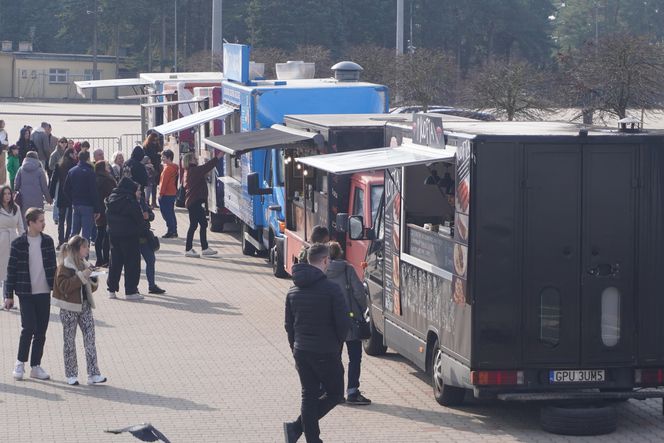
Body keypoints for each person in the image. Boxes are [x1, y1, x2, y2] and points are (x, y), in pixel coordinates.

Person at [283, 243, 350, 443]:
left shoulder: (292, 290)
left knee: (308, 395)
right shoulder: (332, 289)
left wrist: (295, 348)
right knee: (336, 393)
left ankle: (307, 436)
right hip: (326, 352)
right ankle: (296, 428)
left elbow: (289, 325)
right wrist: (337, 346)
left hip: (301, 350)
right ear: (325, 260)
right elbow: (343, 324)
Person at [4, 208, 57, 381]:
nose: (44, 223)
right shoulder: (18, 243)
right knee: (28, 328)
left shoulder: (48, 241)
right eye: (40, 220)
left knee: (41, 331)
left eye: (43, 220)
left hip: (43, 292)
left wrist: (58, 289)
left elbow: (53, 269)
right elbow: (11, 270)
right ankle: (20, 363)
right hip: (25, 292)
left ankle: (36, 366)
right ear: (30, 223)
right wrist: (8, 295)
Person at [52, 235, 107, 386]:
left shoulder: (85, 263)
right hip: (69, 308)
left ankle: (93, 373)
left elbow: (90, 287)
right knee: (69, 342)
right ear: (77, 249)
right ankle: (71, 374)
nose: (88, 249)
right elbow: (64, 286)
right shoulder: (64, 265)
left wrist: (94, 277)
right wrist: (84, 276)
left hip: (85, 306)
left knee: (90, 339)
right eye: (85, 247)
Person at [326, 242, 372, 405]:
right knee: (355, 357)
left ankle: (334, 392)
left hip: (331, 324)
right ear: (340, 253)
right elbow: (359, 293)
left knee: (333, 358)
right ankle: (352, 391)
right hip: (350, 321)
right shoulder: (347, 269)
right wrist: (363, 309)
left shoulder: (322, 271)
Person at [105, 177, 144, 301]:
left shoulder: (111, 199)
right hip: (130, 236)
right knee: (131, 264)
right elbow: (139, 219)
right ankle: (130, 291)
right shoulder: (130, 201)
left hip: (114, 235)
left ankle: (111, 290)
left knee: (115, 263)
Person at [182, 151, 221, 258]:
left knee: (198, 224)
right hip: (195, 202)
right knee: (197, 225)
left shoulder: (188, 171)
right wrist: (217, 157)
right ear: (190, 161)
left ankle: (202, 248)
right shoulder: (194, 170)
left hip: (193, 202)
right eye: (194, 158)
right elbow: (207, 167)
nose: (196, 159)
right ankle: (191, 249)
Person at [64, 151, 99, 242]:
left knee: (74, 232)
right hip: (88, 206)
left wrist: (72, 200)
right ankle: (84, 255)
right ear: (88, 159)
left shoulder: (72, 171)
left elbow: (65, 189)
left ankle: (71, 253)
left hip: (76, 205)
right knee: (86, 235)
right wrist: (97, 209)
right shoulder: (90, 172)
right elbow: (94, 191)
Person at [137, 188, 165, 294]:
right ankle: (133, 287)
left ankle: (152, 285)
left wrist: (149, 216)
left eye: (140, 191)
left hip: (145, 237)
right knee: (134, 264)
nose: (140, 192)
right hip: (133, 238)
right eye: (137, 191)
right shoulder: (129, 202)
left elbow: (152, 215)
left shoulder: (142, 201)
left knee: (151, 260)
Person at [14, 151, 52, 226]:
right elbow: (44, 187)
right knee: (37, 219)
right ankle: (36, 235)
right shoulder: (40, 171)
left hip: (24, 200)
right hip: (37, 200)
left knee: (25, 219)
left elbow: (16, 186)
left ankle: (25, 235)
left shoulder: (21, 169)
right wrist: (48, 199)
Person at [49, 148, 76, 246]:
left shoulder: (59, 165)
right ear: (70, 154)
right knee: (69, 219)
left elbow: (53, 181)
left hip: (61, 194)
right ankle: (66, 239)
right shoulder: (74, 165)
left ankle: (60, 241)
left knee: (61, 219)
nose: (75, 155)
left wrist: (51, 195)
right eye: (74, 153)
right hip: (70, 195)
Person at [0, 185, 24, 293]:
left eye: (9, 193)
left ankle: (7, 297)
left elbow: (21, 227)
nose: (7, 196)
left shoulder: (16, 208)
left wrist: (24, 241)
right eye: (4, 194)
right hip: (1, 241)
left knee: (10, 270)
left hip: (14, 242)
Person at [94, 161, 116, 267]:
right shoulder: (107, 180)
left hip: (98, 210)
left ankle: (99, 258)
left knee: (99, 235)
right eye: (107, 166)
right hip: (107, 210)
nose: (109, 167)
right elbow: (112, 194)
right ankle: (106, 259)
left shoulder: (94, 179)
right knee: (106, 237)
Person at [49, 137, 69, 226]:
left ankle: (65, 217)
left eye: (65, 142)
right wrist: (58, 168)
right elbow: (50, 166)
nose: (64, 144)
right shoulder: (55, 153)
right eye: (62, 142)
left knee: (67, 198)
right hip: (58, 180)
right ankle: (56, 217)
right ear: (58, 143)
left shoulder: (67, 153)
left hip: (67, 179)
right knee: (57, 199)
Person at [158, 149, 178, 238]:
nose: (162, 159)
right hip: (172, 192)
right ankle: (174, 230)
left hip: (166, 193)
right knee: (171, 212)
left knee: (166, 213)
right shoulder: (174, 167)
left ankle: (171, 230)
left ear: (169, 158)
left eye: (164, 157)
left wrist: (160, 194)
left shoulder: (167, 169)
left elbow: (164, 182)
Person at [143, 132, 162, 208]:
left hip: (154, 167)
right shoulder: (148, 146)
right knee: (150, 185)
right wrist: (158, 154)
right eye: (155, 139)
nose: (156, 141)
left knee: (153, 185)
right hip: (151, 167)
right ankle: (149, 202)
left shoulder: (152, 145)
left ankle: (152, 202)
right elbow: (151, 156)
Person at [0, 119, 8, 186]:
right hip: (2, 151)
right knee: (2, 167)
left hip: (2, 150)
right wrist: (7, 143)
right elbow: (3, 141)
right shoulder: (3, 132)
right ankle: (2, 182)